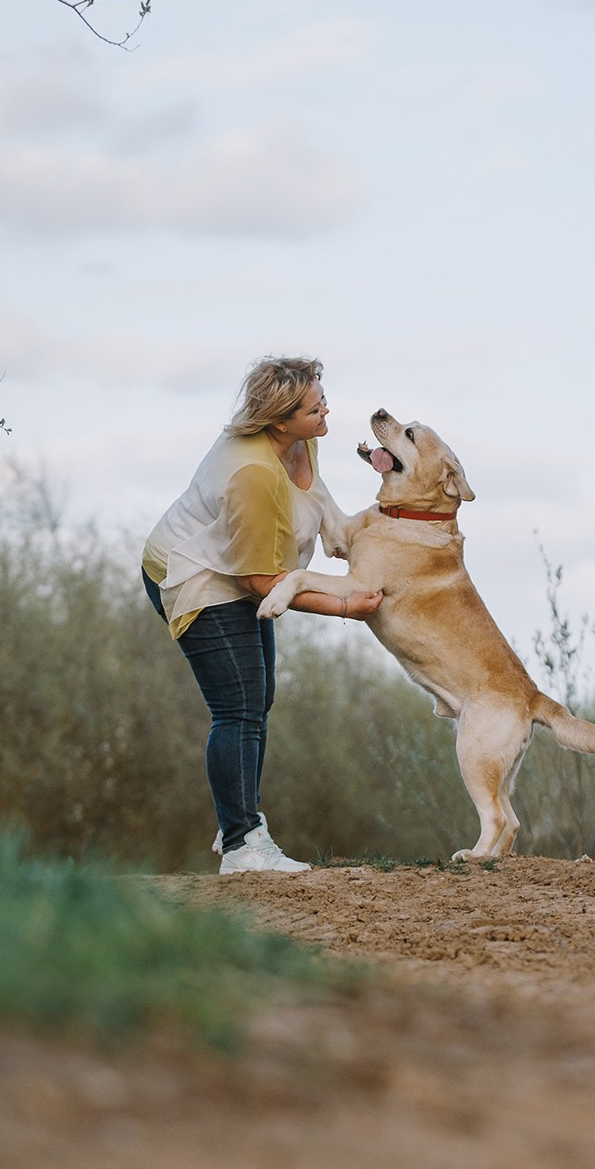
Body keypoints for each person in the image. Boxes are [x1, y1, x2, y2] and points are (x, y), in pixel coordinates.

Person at [141, 356, 382, 873]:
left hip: (243, 566)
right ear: (279, 419)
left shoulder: (302, 438)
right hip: (196, 575)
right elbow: (259, 583)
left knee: (259, 696)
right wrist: (344, 604)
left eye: (324, 402)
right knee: (238, 704)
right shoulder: (253, 473)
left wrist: (343, 534)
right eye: (315, 409)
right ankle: (241, 845)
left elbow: (312, 496)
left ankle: (239, 821)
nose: (326, 415)